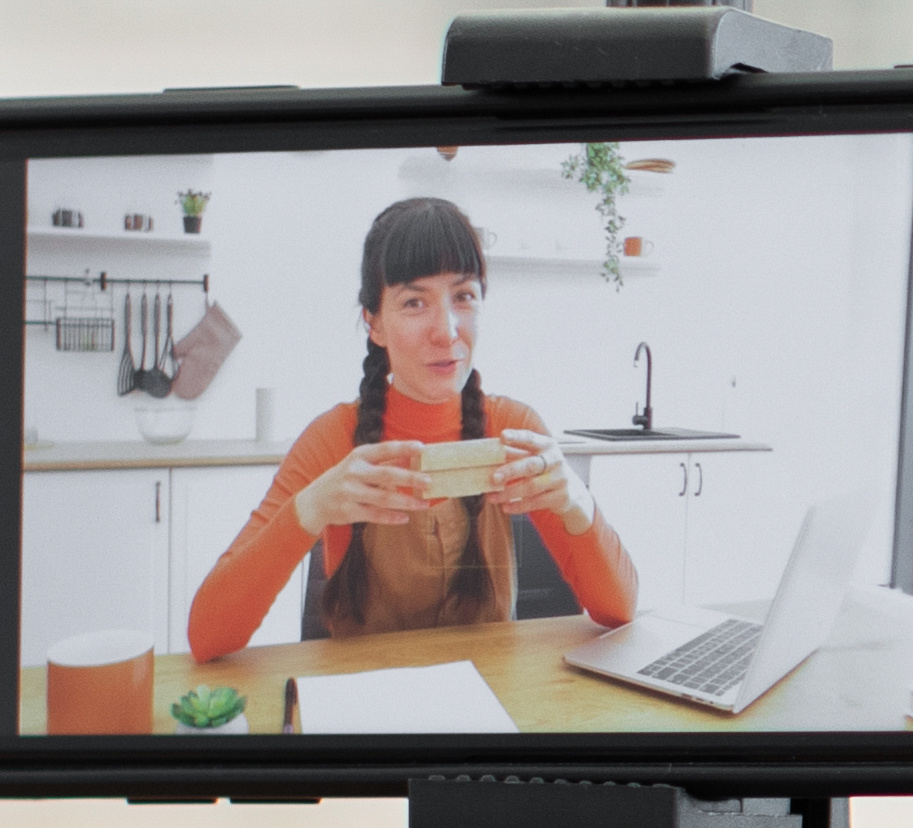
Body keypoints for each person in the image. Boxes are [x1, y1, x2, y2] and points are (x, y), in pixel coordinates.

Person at [186, 195, 642, 662]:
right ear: (375, 324)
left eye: (463, 296)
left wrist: (576, 500)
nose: (445, 330)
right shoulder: (333, 439)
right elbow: (206, 635)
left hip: (492, 703)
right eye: (413, 302)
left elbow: (620, 611)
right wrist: (311, 508)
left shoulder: (511, 429)